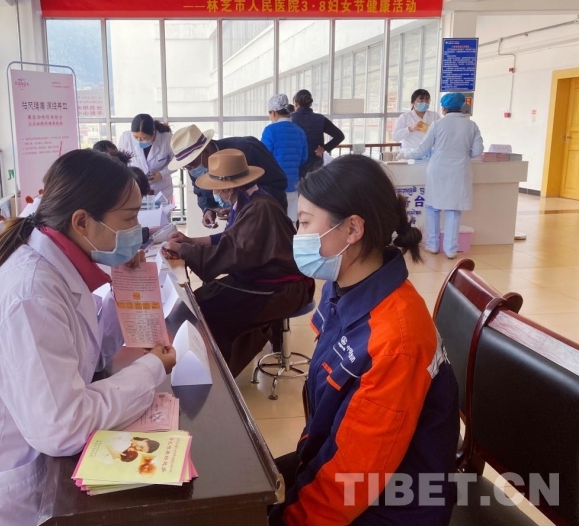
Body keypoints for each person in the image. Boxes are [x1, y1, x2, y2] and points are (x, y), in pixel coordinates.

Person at [0, 149, 177, 526]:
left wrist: (124, 289)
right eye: (128, 219)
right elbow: (64, 427)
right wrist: (151, 369)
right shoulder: (30, 294)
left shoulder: (54, 268)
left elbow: (88, 356)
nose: (137, 231)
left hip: (35, 464)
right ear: (82, 222)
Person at [269, 154, 459, 526]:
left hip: (390, 507)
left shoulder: (395, 340)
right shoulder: (342, 287)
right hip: (336, 461)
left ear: (353, 229)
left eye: (304, 222)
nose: (298, 235)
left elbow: (351, 481)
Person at [164, 149, 314, 377]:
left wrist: (184, 249)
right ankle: (216, 364)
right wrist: (190, 241)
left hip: (283, 289)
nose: (214, 192)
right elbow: (229, 239)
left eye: (216, 187)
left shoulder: (259, 208)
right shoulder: (249, 202)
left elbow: (232, 251)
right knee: (202, 298)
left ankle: (218, 373)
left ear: (229, 188)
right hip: (266, 280)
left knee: (207, 307)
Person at [400, 92, 484, 259]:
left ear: (444, 108)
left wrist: (406, 155)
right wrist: (461, 152)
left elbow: (422, 149)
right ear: (461, 106)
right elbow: (477, 151)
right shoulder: (471, 125)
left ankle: (432, 245)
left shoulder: (437, 124)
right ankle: (451, 250)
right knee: (454, 209)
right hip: (459, 171)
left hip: (438, 170)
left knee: (432, 207)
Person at [169, 124, 288, 228]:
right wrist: (208, 209)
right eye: (185, 167)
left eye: (191, 165)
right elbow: (200, 191)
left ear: (205, 151)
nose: (190, 170)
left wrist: (241, 205)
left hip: (270, 217)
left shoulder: (248, 149)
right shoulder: (195, 168)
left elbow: (278, 183)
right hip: (240, 225)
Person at [261, 94, 309, 222]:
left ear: (273, 113)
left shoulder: (270, 130)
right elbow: (304, 157)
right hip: (293, 184)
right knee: (291, 221)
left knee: (274, 221)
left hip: (274, 186)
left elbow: (263, 157)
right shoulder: (299, 131)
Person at [117, 114, 175, 202]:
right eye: (136, 137)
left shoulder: (167, 139)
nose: (139, 140)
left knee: (161, 210)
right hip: (135, 187)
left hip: (161, 188)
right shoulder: (125, 138)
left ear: (153, 133)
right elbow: (121, 162)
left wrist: (162, 174)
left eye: (143, 138)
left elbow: (177, 160)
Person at [291, 89, 345, 176]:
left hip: (295, 162)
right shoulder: (320, 119)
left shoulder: (290, 119)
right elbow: (340, 136)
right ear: (310, 103)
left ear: (296, 104)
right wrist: (324, 148)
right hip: (315, 163)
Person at [392, 89, 441, 155]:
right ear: (413, 102)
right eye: (421, 101)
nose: (424, 103)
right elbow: (395, 137)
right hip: (409, 153)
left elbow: (441, 134)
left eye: (427, 101)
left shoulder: (434, 116)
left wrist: (430, 130)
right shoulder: (405, 117)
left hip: (429, 153)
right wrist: (410, 129)